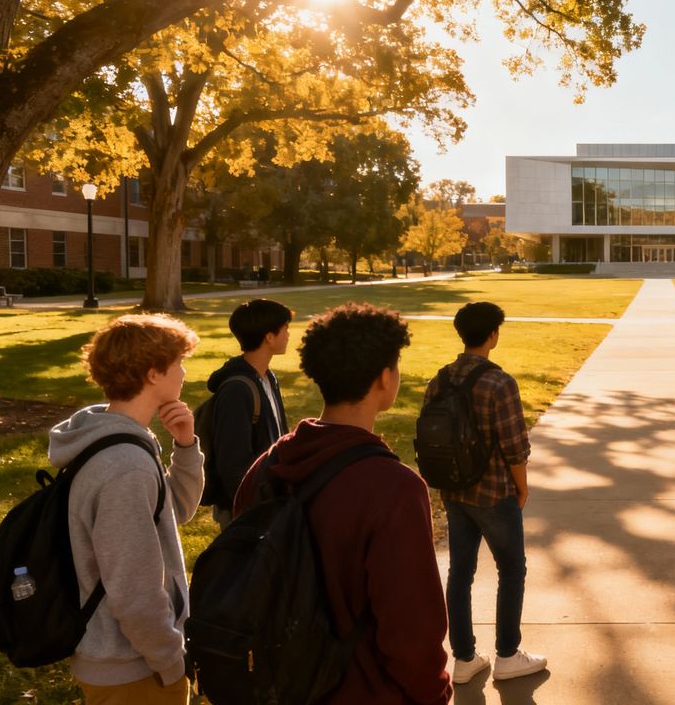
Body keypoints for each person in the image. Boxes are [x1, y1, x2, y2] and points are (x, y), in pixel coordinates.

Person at [234, 302, 452, 704]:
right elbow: (411, 632)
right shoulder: (395, 488)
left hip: (274, 685)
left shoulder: (268, 466)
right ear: (385, 379)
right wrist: (434, 694)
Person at [48, 314, 203, 704]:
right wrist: (171, 661)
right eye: (178, 364)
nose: (184, 373)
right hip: (133, 667)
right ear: (153, 374)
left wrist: (185, 446)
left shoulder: (118, 439)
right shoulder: (124, 465)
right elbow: (134, 589)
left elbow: (175, 510)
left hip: (125, 659)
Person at [430, 302, 546, 684]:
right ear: (493, 334)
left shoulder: (440, 379)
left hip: (453, 490)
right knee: (511, 568)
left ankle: (463, 659)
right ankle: (508, 654)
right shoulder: (499, 382)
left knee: (460, 572)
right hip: (494, 492)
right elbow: (515, 447)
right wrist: (522, 488)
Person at [204, 298, 292, 527]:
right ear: (269, 337)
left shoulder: (267, 378)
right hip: (244, 510)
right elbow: (232, 464)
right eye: (285, 328)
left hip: (270, 501)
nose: (289, 334)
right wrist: (254, 508)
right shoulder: (237, 390)